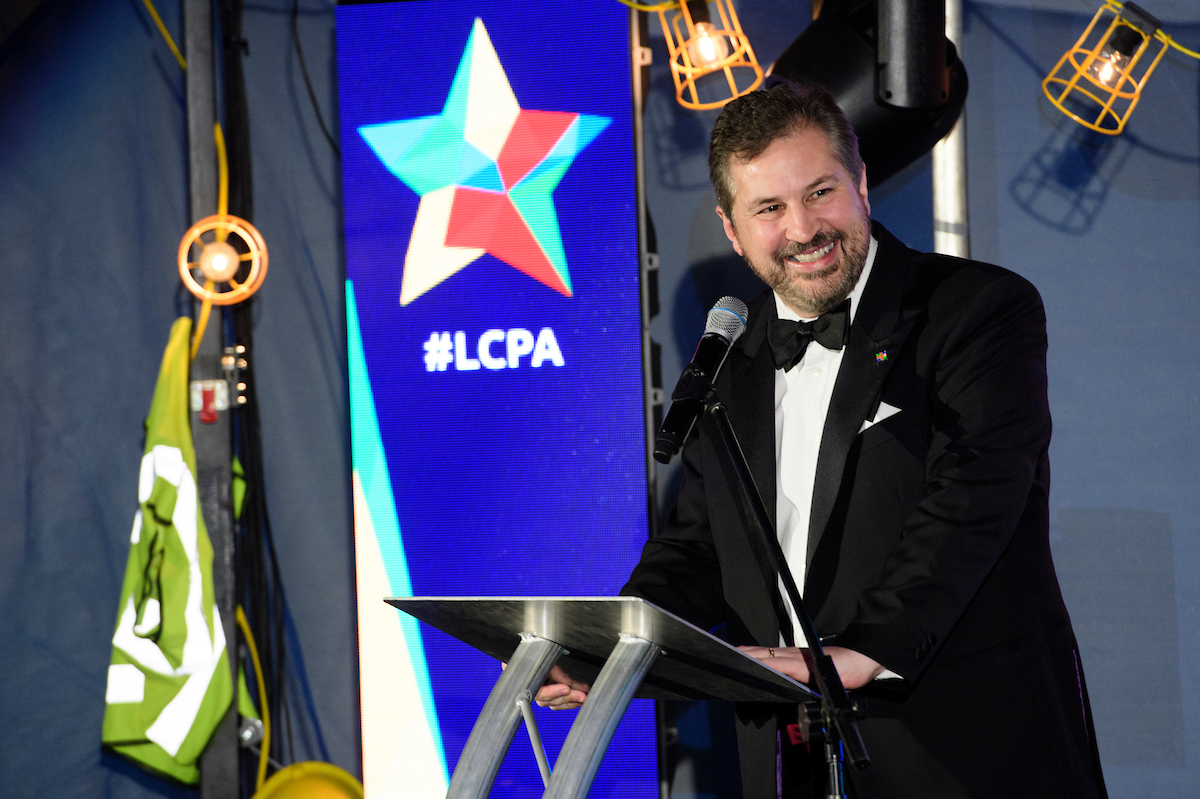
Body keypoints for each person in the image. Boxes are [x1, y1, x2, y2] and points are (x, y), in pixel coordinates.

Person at [537, 81, 1107, 798]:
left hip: (965, 749)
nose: (803, 228)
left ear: (862, 182)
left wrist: (858, 653)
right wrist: (606, 653)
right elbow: (697, 552)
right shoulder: (729, 358)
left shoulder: (977, 310)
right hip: (789, 762)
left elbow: (974, 498)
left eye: (821, 192)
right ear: (732, 227)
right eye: (770, 208)